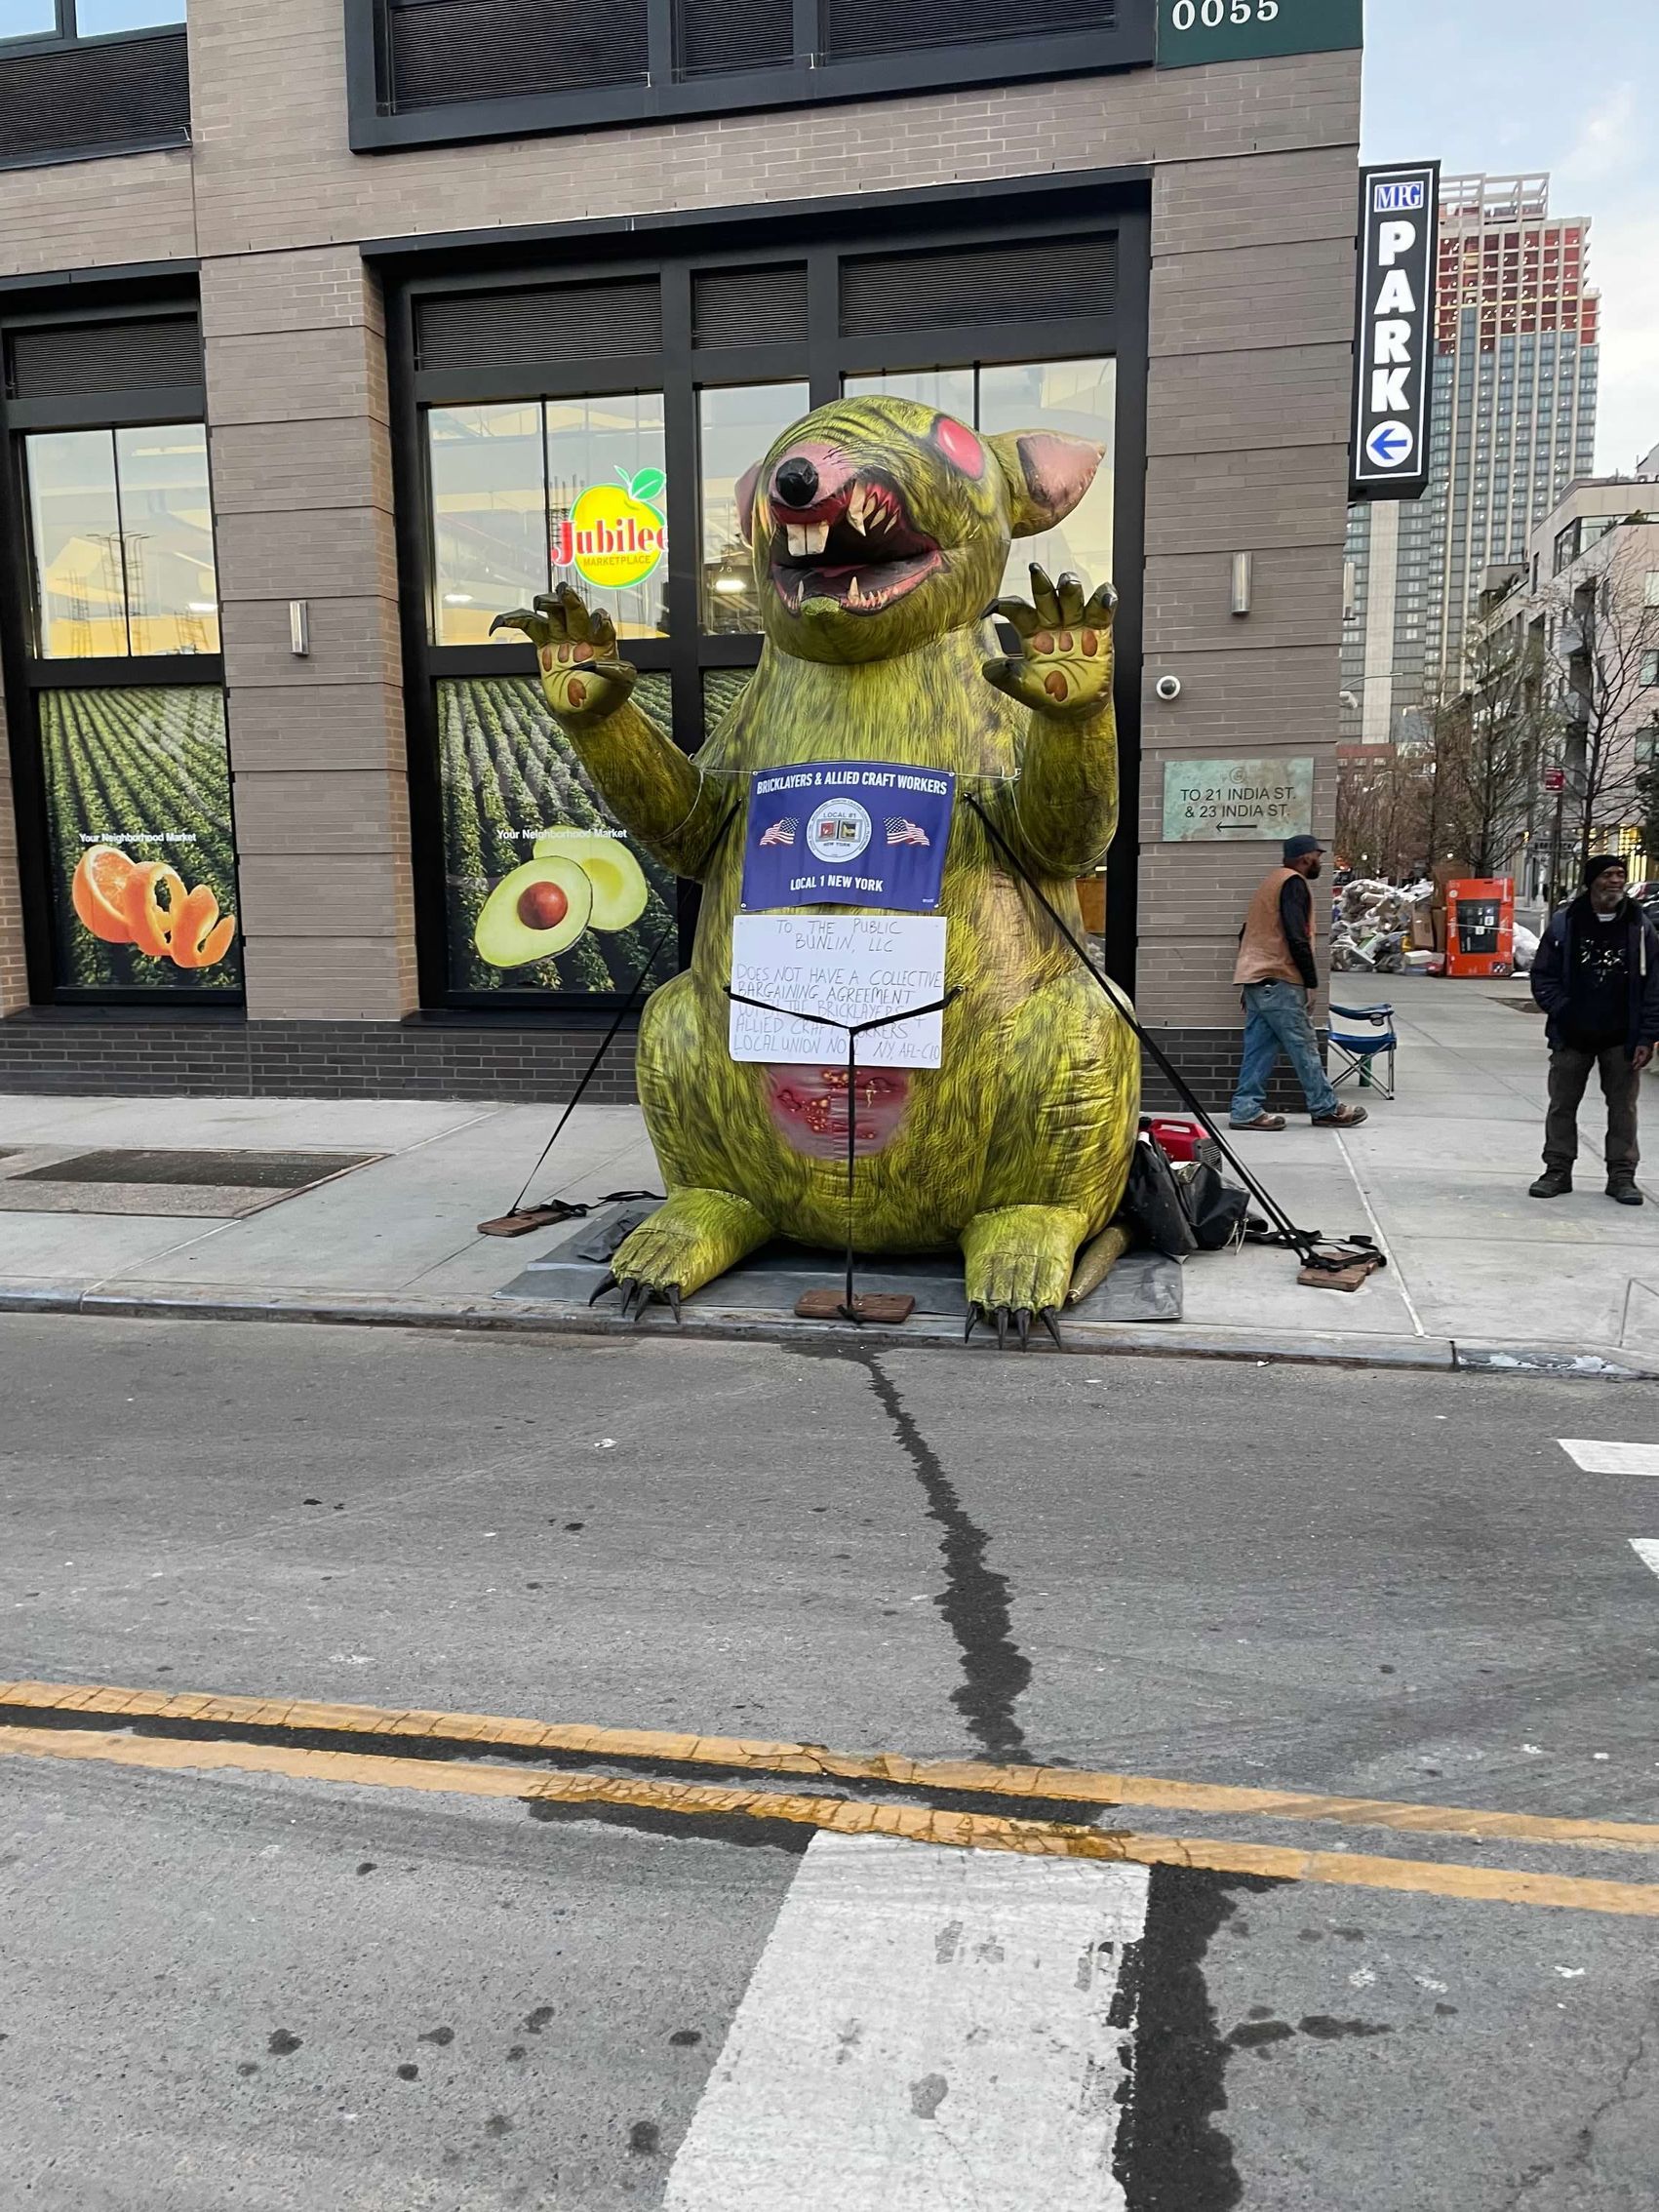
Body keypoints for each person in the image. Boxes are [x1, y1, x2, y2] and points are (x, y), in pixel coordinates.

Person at [1528, 854, 1659, 1205]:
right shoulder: (1566, 923)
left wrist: (1647, 1035)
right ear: (1592, 881)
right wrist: (1563, 1011)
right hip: (1572, 1035)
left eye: (1620, 874)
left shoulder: (1639, 925)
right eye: (1608, 875)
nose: (1616, 881)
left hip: (1622, 1036)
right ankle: (1557, 1170)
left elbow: (1654, 986)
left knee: (1623, 1108)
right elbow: (1543, 975)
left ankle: (1621, 1176)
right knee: (1562, 1105)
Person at [1229, 835, 1366, 1132]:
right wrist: (1310, 981)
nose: (1320, 862)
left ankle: (1245, 1109)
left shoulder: (1270, 883)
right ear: (1306, 857)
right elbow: (1296, 936)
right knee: (1303, 1046)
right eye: (1318, 856)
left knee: (1259, 1049)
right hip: (1280, 978)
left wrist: (1248, 979)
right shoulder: (1293, 884)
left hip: (1258, 979)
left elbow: (1246, 932)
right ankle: (1326, 1108)